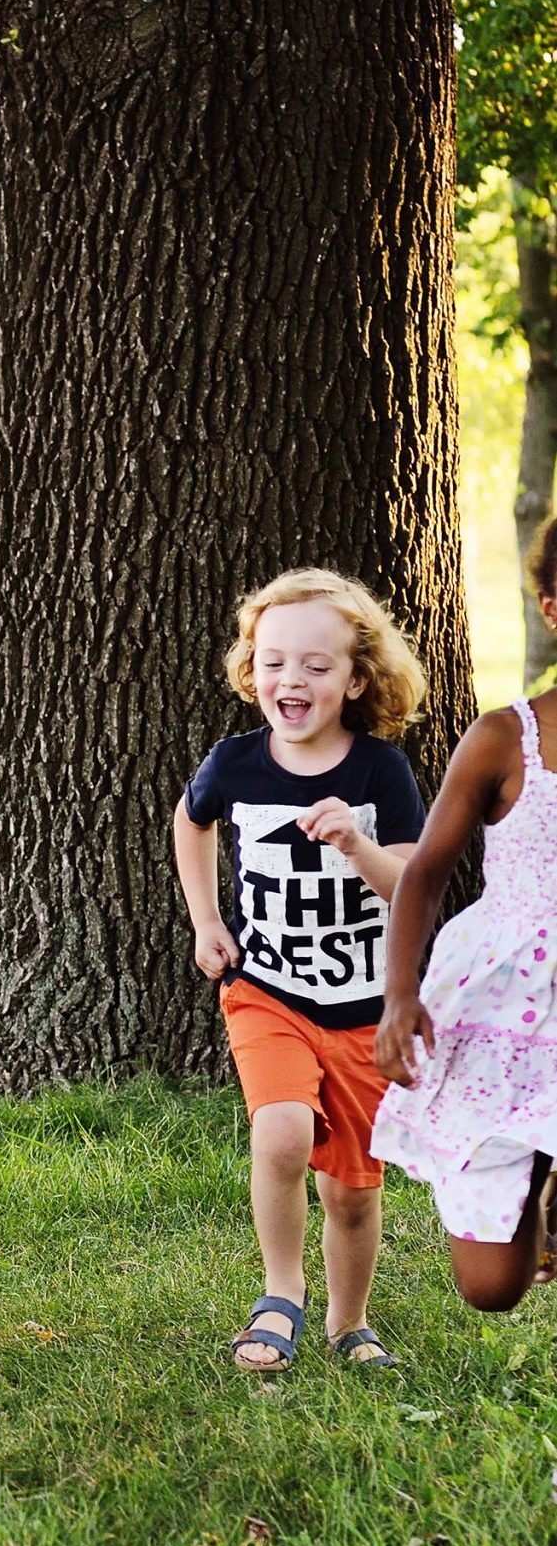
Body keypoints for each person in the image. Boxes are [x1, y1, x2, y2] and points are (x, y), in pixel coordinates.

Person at [173, 569, 427, 1372]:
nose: (293, 679)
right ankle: (279, 1293)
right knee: (278, 1131)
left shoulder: (379, 773)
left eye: (317, 666)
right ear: (251, 669)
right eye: (274, 661)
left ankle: (348, 1323)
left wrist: (356, 843)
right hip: (267, 991)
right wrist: (206, 920)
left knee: (351, 1190)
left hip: (361, 1005)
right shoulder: (235, 762)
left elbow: (413, 883)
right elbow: (189, 822)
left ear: (356, 678)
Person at [371, 531, 557, 1311]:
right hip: (504, 1003)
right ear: (551, 610)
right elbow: (422, 874)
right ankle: (533, 1192)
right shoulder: (505, 739)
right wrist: (398, 995)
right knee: (491, 1289)